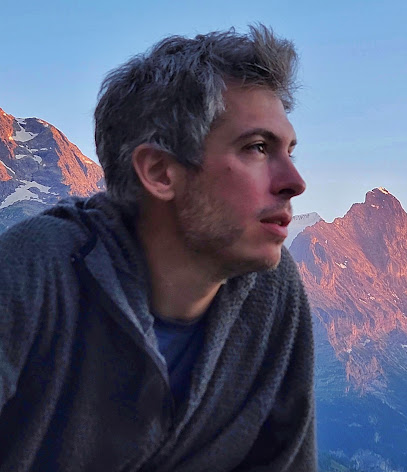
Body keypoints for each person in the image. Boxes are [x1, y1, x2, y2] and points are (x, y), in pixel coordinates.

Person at [0, 25, 316, 471]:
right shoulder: (33, 271)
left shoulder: (273, 289)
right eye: (258, 147)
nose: (295, 182)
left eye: (290, 151)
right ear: (160, 172)